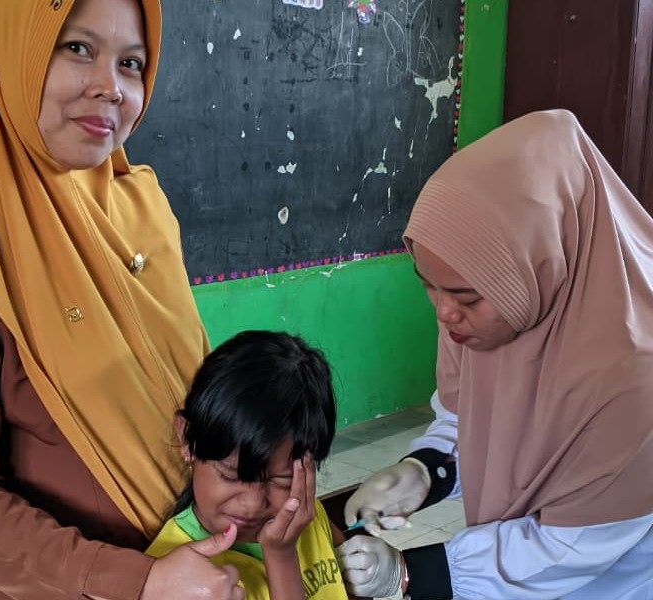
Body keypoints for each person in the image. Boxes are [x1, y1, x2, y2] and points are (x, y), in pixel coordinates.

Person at [0, 1, 247, 598]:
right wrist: (139, 582)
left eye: (132, 62)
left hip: (194, 566)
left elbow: (186, 388)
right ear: (6, 57)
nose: (111, 87)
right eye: (77, 48)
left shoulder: (141, 207)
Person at [336, 109, 653, 599]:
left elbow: (570, 548)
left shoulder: (632, 377)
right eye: (429, 285)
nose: (445, 313)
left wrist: (411, 572)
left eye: (466, 297)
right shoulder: (487, 316)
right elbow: (471, 420)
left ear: (542, 265)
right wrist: (426, 469)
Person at [146, 330, 349, 600]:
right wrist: (281, 556)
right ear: (187, 439)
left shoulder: (304, 516)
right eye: (230, 475)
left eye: (282, 481)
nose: (252, 505)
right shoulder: (176, 577)